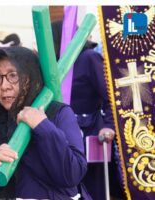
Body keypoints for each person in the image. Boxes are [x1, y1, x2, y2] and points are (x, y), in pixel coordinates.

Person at [0, 47, 89, 199]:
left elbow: (73, 173)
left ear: (30, 78)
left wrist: (43, 126)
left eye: (13, 76)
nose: (4, 86)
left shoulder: (58, 114)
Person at [51, 20, 125, 200]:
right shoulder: (56, 64)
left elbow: (111, 95)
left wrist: (108, 125)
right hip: (64, 134)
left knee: (93, 187)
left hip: (91, 133)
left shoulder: (89, 58)